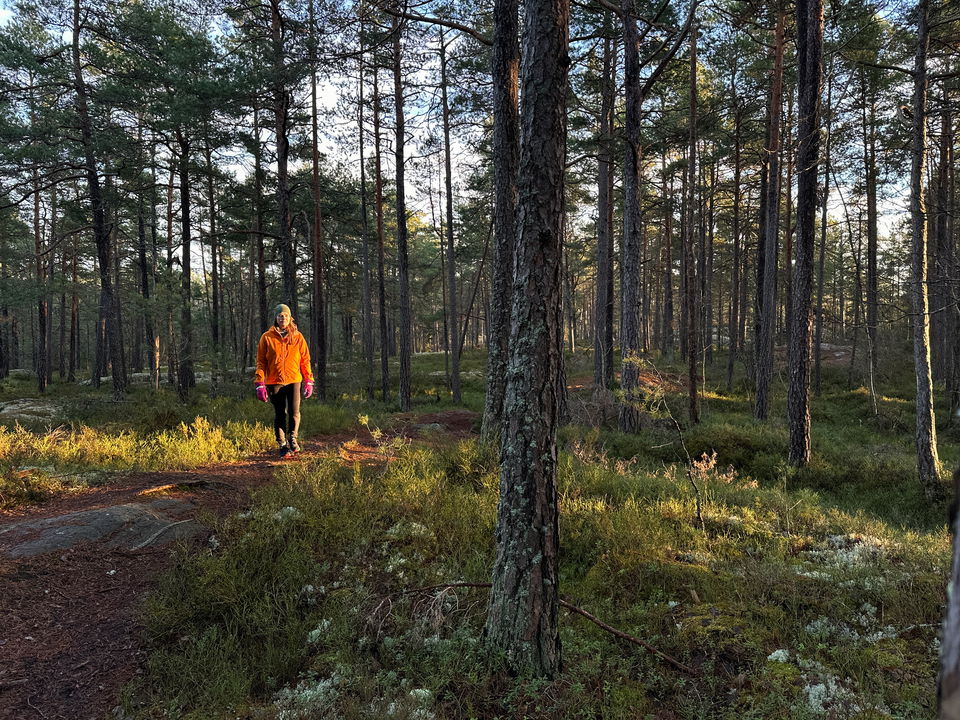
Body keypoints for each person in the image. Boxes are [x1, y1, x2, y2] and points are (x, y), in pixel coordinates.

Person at [255, 304, 314, 456]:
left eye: (285, 316)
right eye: (280, 316)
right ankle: (282, 444)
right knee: (280, 413)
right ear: (276, 318)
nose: (283, 318)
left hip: (294, 379)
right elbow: (261, 362)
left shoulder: (297, 337)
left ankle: (292, 438)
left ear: (290, 318)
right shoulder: (266, 337)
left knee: (294, 412)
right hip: (274, 381)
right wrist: (260, 383)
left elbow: (305, 360)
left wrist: (308, 379)